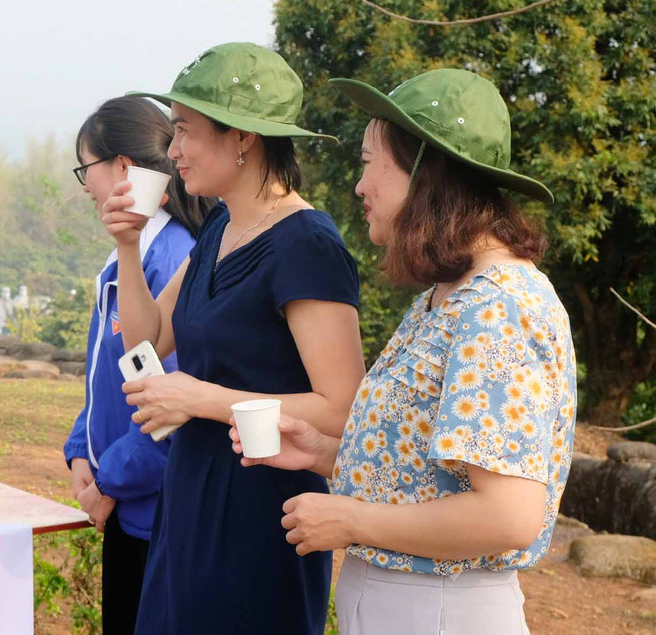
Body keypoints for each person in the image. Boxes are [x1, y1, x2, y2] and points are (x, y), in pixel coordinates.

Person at [230, 69, 576, 634]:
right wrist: (323, 452)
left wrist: (350, 518)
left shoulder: (498, 309)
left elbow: (509, 515)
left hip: (441, 610)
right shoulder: (448, 297)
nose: (359, 185)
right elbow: (428, 473)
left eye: (370, 163)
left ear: (423, 169)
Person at [105, 43, 366, 634]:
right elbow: (148, 339)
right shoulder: (221, 224)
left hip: (263, 507)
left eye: (183, 131)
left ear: (243, 137)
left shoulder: (308, 245)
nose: (172, 153)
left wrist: (201, 399)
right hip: (191, 491)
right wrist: (128, 243)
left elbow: (342, 408)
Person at [62, 96, 214, 634]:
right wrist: (81, 450)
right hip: (126, 502)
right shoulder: (126, 255)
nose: (86, 186)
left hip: (152, 510)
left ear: (124, 168)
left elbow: (170, 406)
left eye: (88, 168)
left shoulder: (171, 258)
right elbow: (104, 376)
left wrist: (109, 481)